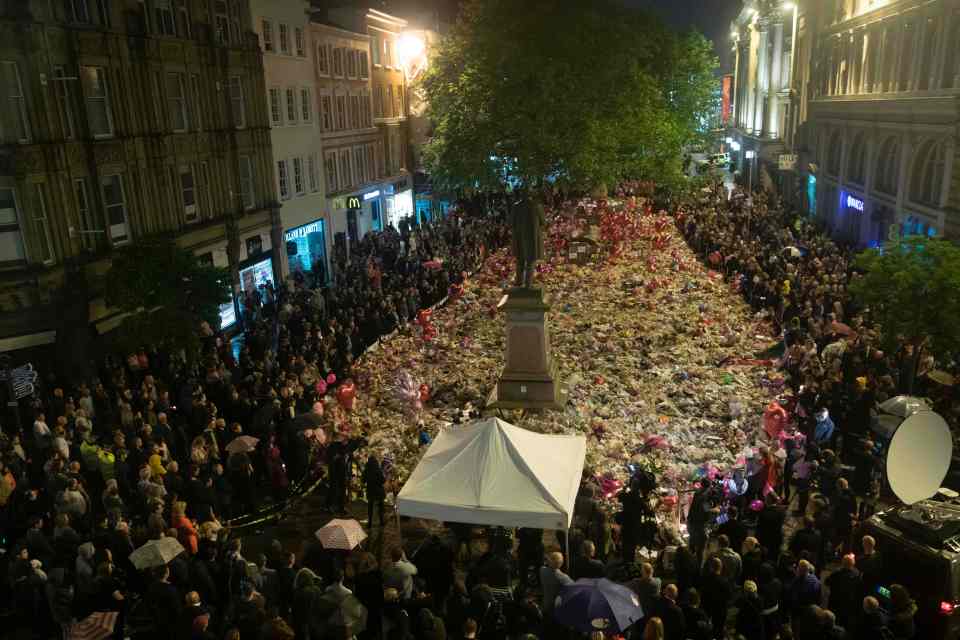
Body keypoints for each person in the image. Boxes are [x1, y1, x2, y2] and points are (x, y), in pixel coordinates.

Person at [826, 554, 862, 630]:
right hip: (848, 602)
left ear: (842, 563)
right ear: (853, 563)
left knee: (833, 621)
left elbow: (826, 582)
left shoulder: (836, 573)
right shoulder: (857, 573)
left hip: (835, 601)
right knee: (844, 622)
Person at [699, 557, 732, 637]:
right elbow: (729, 596)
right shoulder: (725, 582)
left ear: (711, 567)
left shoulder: (705, 579)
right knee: (718, 631)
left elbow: (701, 594)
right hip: (720, 610)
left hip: (707, 608)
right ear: (720, 567)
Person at [538, 551, 573, 618]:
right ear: (562, 563)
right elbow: (574, 588)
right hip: (557, 608)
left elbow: (545, 566)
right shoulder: (563, 578)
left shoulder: (542, 570)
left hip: (545, 605)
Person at [362, 454, 386, 529]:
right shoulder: (378, 470)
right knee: (380, 506)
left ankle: (369, 523)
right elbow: (383, 480)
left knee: (370, 507)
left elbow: (363, 480)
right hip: (379, 491)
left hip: (370, 490)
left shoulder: (366, 470)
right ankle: (382, 521)